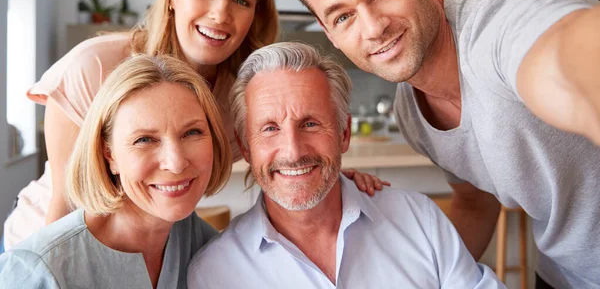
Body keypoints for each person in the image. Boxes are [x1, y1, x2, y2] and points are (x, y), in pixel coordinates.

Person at [2, 0, 383, 253]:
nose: (220, 13)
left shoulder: (239, 99)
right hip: (44, 242)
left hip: (148, 252)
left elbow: (281, 154)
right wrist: (41, 274)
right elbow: (67, 202)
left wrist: (330, 178)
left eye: (241, 1)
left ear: (255, 16)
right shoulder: (96, 66)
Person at [285, 0, 600, 289]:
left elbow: (564, 52)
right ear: (329, 33)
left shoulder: (499, 26)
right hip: (563, 276)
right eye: (343, 17)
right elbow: (475, 201)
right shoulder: (411, 113)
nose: (374, 27)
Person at [187, 42, 505, 288]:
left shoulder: (419, 221)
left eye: (310, 123)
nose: (293, 151)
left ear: (344, 133)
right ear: (245, 146)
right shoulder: (215, 272)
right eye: (270, 128)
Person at [0, 54, 231, 288]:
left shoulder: (208, 247)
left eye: (192, 133)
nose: (176, 162)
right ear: (109, 154)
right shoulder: (36, 272)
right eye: (144, 140)